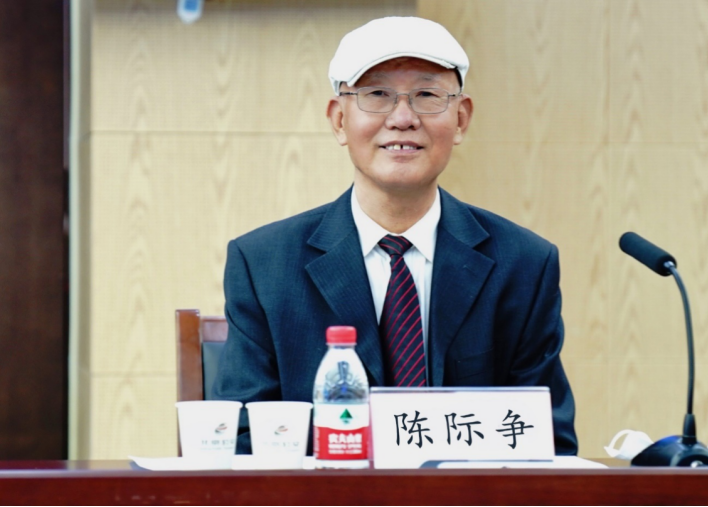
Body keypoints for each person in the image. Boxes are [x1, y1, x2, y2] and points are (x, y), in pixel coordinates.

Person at [212, 16, 578, 455]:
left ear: (461, 119)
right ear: (339, 120)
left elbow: (548, 443)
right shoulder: (263, 265)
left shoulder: (524, 264)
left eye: (427, 95)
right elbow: (244, 442)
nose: (403, 118)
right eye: (377, 95)